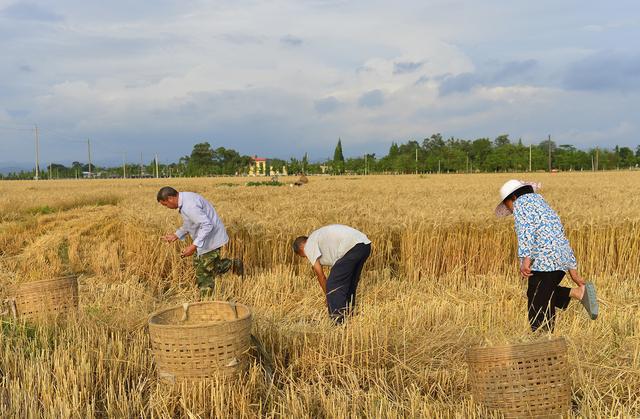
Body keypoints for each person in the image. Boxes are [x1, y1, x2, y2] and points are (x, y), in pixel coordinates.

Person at [496, 180, 598, 332]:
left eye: (507, 205)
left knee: (537, 304)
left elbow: (527, 232)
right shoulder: (542, 203)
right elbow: (561, 236)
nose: (510, 210)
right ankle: (577, 292)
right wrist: (573, 272)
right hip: (560, 260)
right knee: (541, 294)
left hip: (544, 262)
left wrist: (526, 260)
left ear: (513, 198)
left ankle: (542, 342)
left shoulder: (521, 205)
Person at [157, 187, 242, 297]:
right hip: (203, 239)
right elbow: (190, 223)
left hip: (211, 238)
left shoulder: (189, 206)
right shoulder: (184, 201)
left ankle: (206, 302)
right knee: (201, 266)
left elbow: (207, 225)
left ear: (170, 198)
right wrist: (177, 235)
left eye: (165, 205)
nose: (167, 207)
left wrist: (193, 247)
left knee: (204, 272)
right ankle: (233, 264)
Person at [292, 224, 371, 324]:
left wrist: (329, 296)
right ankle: (350, 314)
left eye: (304, 256)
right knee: (349, 282)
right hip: (365, 245)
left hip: (351, 247)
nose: (307, 258)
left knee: (333, 284)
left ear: (301, 250)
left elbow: (321, 276)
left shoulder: (308, 246)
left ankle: (338, 322)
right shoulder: (318, 238)